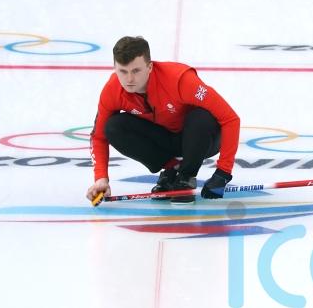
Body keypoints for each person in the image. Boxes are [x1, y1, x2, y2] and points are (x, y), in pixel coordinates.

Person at [85, 36, 240, 204]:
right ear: (115, 68)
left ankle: (186, 177)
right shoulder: (112, 90)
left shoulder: (180, 80)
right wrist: (101, 178)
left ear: (150, 67)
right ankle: (172, 168)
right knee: (114, 126)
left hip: (202, 139)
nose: (129, 79)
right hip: (166, 139)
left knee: (201, 117)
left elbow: (230, 119)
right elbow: (99, 136)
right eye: (123, 71)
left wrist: (223, 173)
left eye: (136, 71)